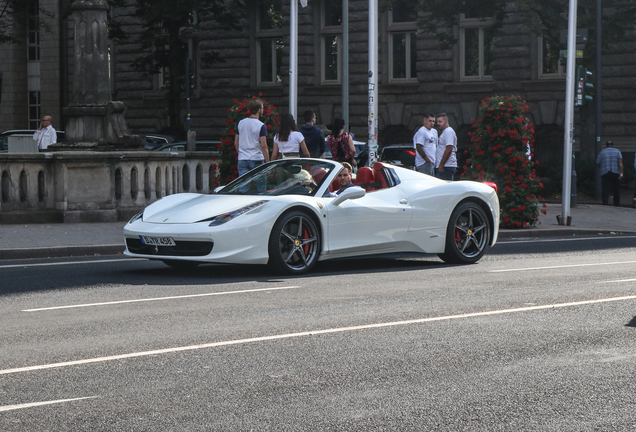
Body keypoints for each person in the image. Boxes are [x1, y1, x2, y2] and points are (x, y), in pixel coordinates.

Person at [234, 99, 270, 177]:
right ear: (259, 110)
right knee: (261, 186)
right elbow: (264, 146)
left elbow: (236, 143)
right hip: (256, 158)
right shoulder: (261, 125)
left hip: (243, 158)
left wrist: (241, 153)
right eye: (262, 108)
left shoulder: (241, 123)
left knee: (243, 186)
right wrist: (268, 162)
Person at [596, 140, 623, 206]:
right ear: (612, 145)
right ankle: (616, 203)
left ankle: (605, 203)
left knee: (605, 188)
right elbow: (620, 161)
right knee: (616, 188)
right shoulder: (617, 151)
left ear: (606, 145)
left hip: (605, 172)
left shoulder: (602, 152)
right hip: (615, 172)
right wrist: (621, 172)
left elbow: (598, 163)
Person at [435, 113, 457, 181]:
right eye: (437, 121)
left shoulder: (448, 132)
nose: (438, 123)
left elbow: (449, 149)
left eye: (440, 121)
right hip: (445, 166)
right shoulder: (445, 132)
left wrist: (441, 164)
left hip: (446, 166)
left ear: (446, 122)